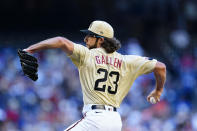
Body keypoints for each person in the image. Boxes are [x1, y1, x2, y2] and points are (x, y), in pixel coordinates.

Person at [23, 20, 166, 131]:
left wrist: (30, 50)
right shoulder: (127, 60)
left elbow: (61, 41)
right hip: (115, 122)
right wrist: (158, 91)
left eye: (90, 36)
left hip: (96, 119)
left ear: (101, 40)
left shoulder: (87, 55)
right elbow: (160, 67)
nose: (85, 39)